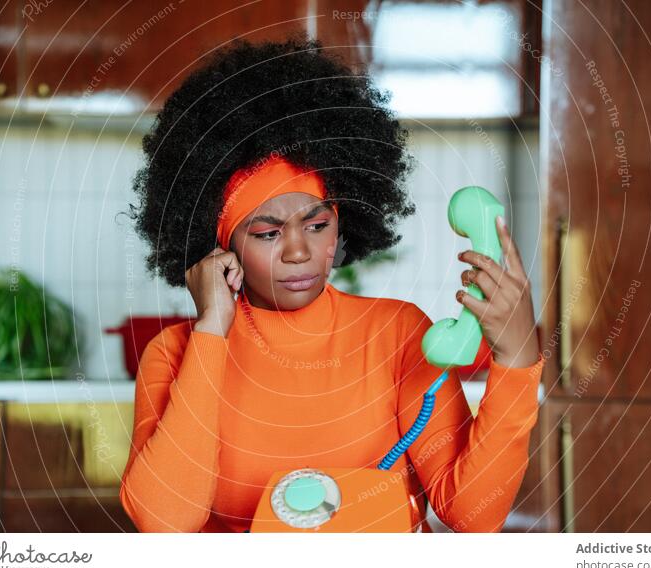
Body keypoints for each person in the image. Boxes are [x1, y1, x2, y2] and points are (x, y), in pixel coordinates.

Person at [120, 35, 544, 533]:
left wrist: (517, 361)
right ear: (221, 243)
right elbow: (164, 522)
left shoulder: (398, 334)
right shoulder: (173, 355)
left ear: (341, 221)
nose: (299, 251)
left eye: (317, 225)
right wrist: (212, 330)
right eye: (267, 233)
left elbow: (474, 514)